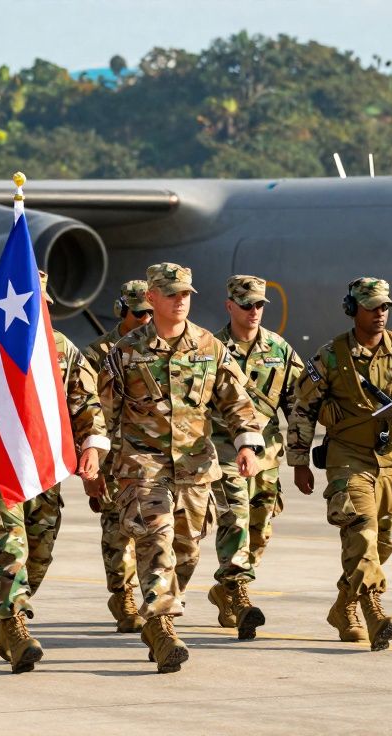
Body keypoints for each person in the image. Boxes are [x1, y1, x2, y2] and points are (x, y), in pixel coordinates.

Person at [0, 271, 109, 673]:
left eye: (42, 309)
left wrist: (93, 449)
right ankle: (15, 626)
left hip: (45, 465)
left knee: (40, 550)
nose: (36, 317)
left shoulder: (62, 350)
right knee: (8, 546)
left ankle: (0, 608)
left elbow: (87, 405)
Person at [98, 262, 264, 673]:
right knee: (156, 543)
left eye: (186, 294)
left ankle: (162, 614)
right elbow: (103, 412)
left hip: (194, 468)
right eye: (172, 294)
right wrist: (97, 461)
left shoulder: (209, 347)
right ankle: (162, 627)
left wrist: (246, 444)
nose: (181, 301)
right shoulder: (125, 351)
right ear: (151, 298)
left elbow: (236, 401)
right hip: (142, 467)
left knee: (186, 552)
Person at [286, 277, 392, 651]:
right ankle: (375, 614)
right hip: (348, 458)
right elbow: (303, 408)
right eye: (372, 306)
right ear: (352, 309)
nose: (380, 313)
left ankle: (343, 607)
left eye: (385, 307)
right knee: (361, 532)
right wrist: (299, 461)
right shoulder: (330, 356)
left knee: (384, 541)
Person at [206, 275, 304, 640]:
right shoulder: (211, 348)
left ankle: (225, 591)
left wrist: (299, 458)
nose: (254, 311)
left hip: (267, 456)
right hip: (224, 453)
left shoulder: (279, 349)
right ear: (230, 305)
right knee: (236, 519)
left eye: (260, 304)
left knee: (260, 530)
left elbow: (296, 405)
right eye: (246, 304)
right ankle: (241, 593)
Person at [81, 279, 152, 633]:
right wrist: (90, 466)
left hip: (150, 457)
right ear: (122, 311)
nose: (145, 319)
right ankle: (122, 595)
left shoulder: (160, 348)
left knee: (153, 530)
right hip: (112, 457)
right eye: (138, 313)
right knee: (117, 531)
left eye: (150, 312)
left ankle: (154, 597)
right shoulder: (98, 353)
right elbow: (87, 409)